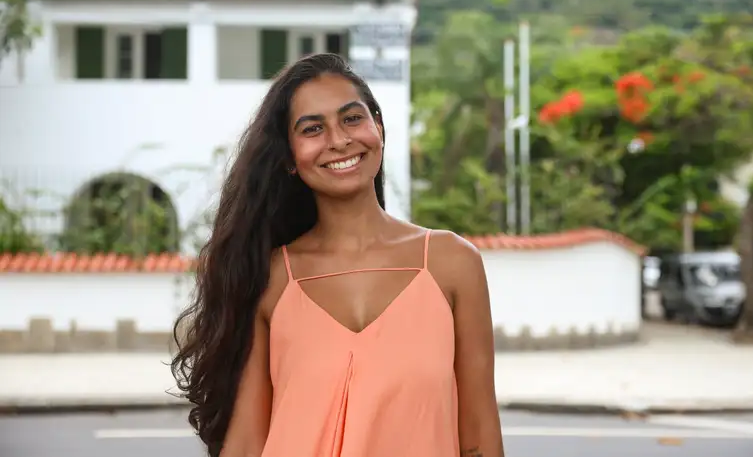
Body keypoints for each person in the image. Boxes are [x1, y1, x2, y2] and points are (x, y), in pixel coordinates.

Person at [171, 53, 504, 457]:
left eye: (351, 118)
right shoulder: (270, 277)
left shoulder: (452, 263)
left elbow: (480, 435)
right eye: (313, 128)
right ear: (289, 158)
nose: (339, 139)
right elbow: (245, 445)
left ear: (377, 127)